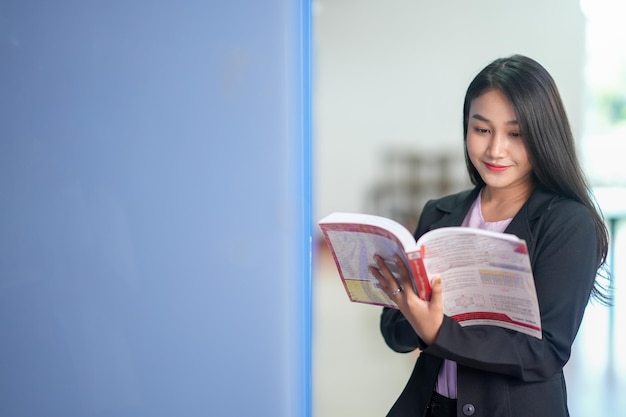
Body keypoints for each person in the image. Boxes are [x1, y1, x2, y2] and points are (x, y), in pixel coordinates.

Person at [369, 54, 611, 417]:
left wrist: (438, 331)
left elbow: (544, 352)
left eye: (515, 133)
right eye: (482, 129)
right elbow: (395, 335)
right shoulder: (440, 213)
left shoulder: (568, 223)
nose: (495, 149)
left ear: (544, 135)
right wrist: (404, 306)